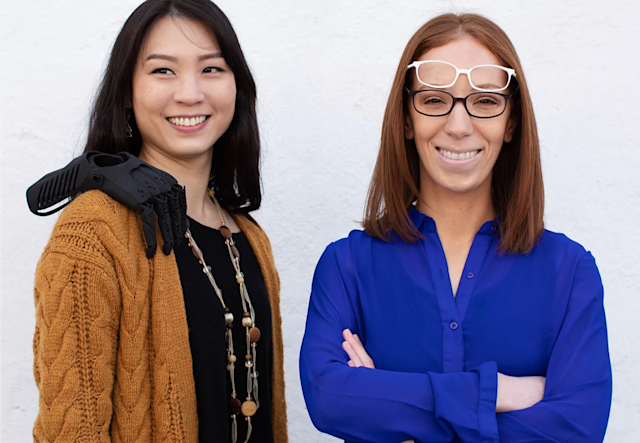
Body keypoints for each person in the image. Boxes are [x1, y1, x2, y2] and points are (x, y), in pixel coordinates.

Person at [300, 13, 611, 443]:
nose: (459, 125)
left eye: (485, 101)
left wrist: (390, 404)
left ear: (511, 122)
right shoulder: (347, 265)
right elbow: (329, 396)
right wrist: (497, 391)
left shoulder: (569, 270)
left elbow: (578, 427)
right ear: (406, 120)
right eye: (433, 100)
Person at [30, 1, 288, 442]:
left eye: (212, 69)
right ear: (127, 91)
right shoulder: (93, 232)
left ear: (237, 88)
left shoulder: (247, 235)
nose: (190, 93)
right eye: (162, 71)